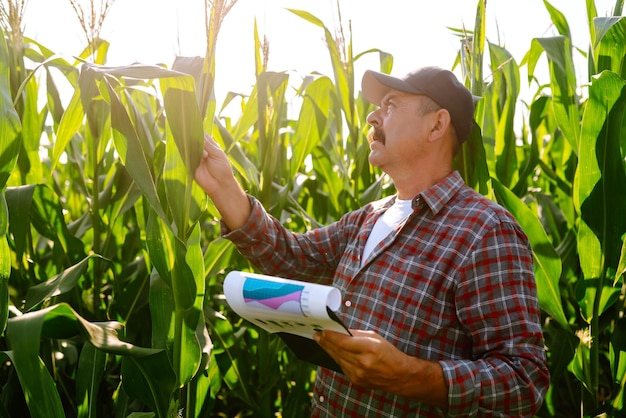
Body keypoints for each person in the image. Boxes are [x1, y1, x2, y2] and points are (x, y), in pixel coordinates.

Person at [194, 66, 550, 417]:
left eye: (391, 105)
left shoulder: (485, 231)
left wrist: (411, 376)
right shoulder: (368, 217)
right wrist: (223, 186)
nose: (371, 117)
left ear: (437, 125)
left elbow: (524, 380)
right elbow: (291, 258)